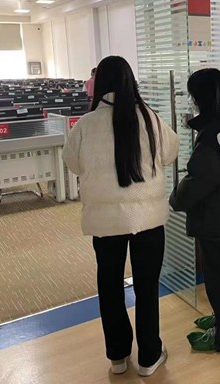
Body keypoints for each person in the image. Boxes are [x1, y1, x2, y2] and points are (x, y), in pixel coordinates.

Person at [62, 56, 178, 377]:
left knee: (110, 286)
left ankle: (117, 356)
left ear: (99, 84)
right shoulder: (150, 117)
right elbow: (170, 153)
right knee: (147, 287)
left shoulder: (86, 124)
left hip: (105, 223)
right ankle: (149, 357)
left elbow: (73, 163)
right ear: (131, 82)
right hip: (148, 219)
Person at [169, 69, 220, 353]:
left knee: (216, 274)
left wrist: (176, 199)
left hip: (215, 214)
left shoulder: (211, 132)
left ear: (198, 97)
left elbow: (200, 178)